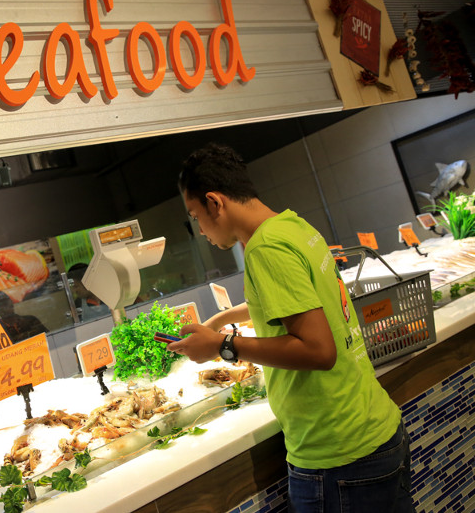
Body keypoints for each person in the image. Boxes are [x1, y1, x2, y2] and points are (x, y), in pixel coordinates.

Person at [169, 143, 413, 512]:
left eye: (194, 216)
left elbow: (319, 351)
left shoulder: (265, 249)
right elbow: (291, 300)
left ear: (215, 202)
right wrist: (220, 320)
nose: (199, 230)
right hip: (376, 429)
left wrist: (223, 346)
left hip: (340, 452)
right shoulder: (291, 226)